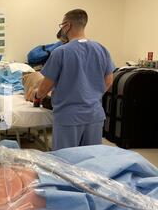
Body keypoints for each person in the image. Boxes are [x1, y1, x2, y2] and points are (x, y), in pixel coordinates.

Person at [35, 9, 115, 151]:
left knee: (65, 163)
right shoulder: (101, 49)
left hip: (68, 118)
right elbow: (109, 80)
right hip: (94, 116)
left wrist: (37, 95)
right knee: (91, 161)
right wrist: (91, 95)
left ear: (67, 26)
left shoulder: (61, 52)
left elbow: (45, 86)